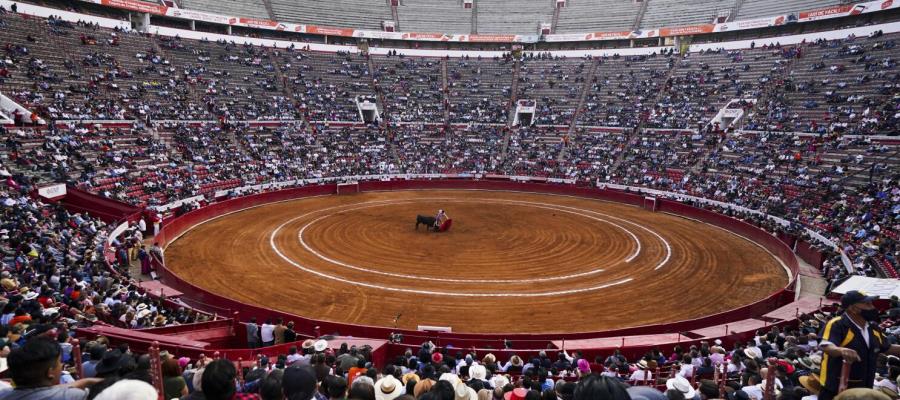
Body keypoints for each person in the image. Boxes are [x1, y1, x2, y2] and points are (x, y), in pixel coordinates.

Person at [819, 291, 900, 400]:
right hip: (836, 389)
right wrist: (841, 350)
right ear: (852, 308)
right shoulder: (838, 323)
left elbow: (887, 347)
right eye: (867, 304)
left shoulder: (873, 327)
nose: (872, 307)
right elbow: (827, 346)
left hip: (863, 391)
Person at [0, 337, 102, 399]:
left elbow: (36, 391)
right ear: (50, 372)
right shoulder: (73, 396)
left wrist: (84, 381)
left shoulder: (4, 393)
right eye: (59, 362)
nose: (61, 365)